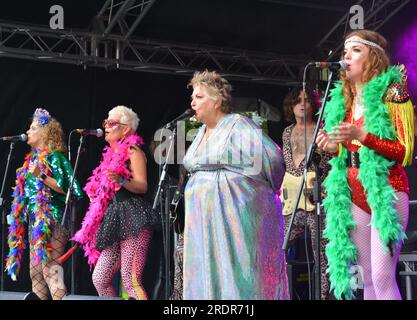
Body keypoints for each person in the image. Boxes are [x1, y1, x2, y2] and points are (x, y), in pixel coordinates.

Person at [316, 30, 415, 300]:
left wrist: (362, 135)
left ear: (373, 57)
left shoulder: (392, 93)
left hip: (386, 190)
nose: (346, 56)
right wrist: (333, 147)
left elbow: (404, 152)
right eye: (345, 51)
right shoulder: (343, 102)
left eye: (356, 50)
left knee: (383, 277)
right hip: (353, 193)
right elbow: (348, 151)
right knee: (366, 277)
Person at [182, 70, 289, 300]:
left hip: (232, 220)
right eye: (193, 97)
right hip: (202, 222)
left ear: (217, 100)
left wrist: (249, 193)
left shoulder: (238, 125)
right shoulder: (199, 133)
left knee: (236, 276)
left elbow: (273, 160)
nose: (193, 102)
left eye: (199, 97)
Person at [72, 105, 159, 300]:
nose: (106, 126)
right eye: (106, 123)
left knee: (130, 279)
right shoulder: (109, 157)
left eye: (112, 123)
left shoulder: (132, 150)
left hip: (134, 219)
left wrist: (121, 181)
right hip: (114, 219)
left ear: (126, 129)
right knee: (100, 278)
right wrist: (95, 196)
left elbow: (142, 185)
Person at [5, 108, 83, 300]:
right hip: (36, 223)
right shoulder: (29, 162)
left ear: (44, 133)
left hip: (55, 221)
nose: (28, 132)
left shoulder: (56, 158)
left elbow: (71, 190)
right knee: (36, 274)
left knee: (50, 270)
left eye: (32, 128)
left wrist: (42, 175)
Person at [281, 86, 331, 300]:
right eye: (297, 100)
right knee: (278, 247)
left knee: (321, 255)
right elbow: (287, 165)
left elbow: (329, 165)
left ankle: (323, 296)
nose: (302, 104)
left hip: (316, 200)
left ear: (313, 106)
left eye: (307, 100)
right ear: (291, 106)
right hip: (291, 200)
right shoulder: (287, 132)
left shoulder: (322, 130)